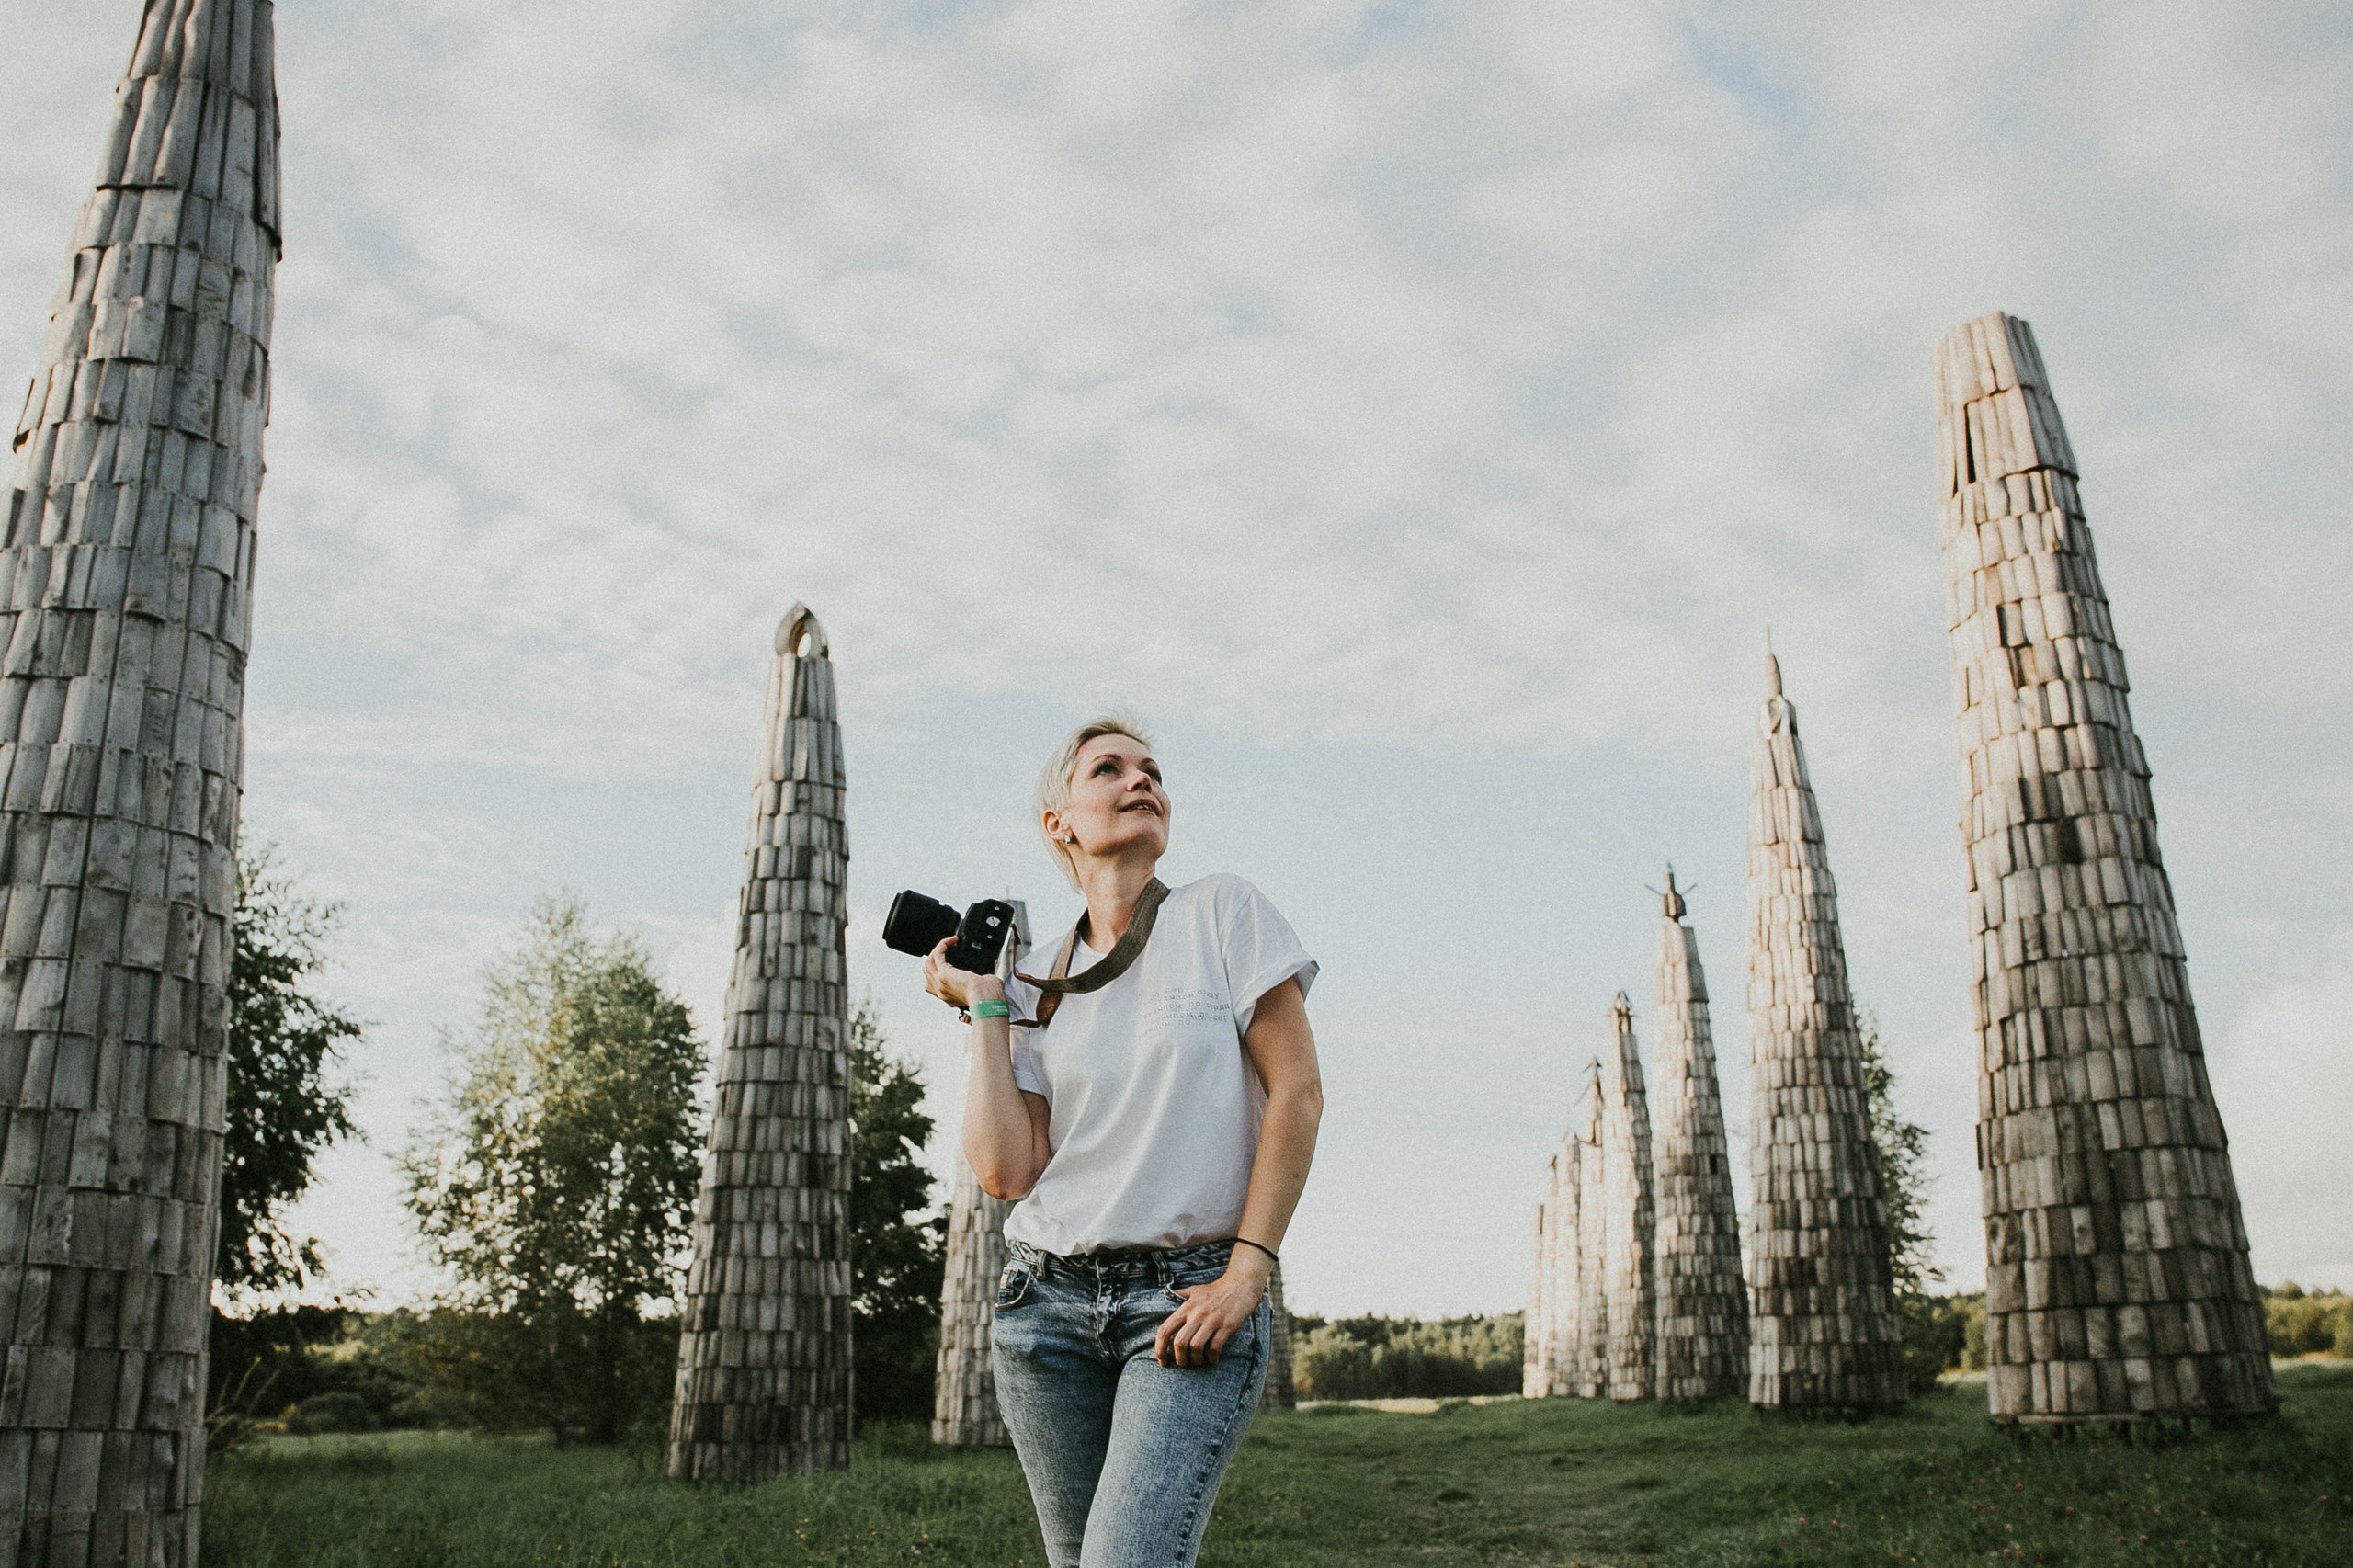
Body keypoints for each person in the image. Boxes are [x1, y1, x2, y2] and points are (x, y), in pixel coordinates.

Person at [923, 714, 1323, 1568]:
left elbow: (1298, 1092)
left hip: (1185, 1305)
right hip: (1045, 1312)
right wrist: (987, 1005)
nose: (1143, 781)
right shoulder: (1037, 979)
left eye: (1153, 771)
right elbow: (1005, 1170)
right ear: (1057, 822)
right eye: (1110, 769)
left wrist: (1249, 1271)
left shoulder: (1223, 912)